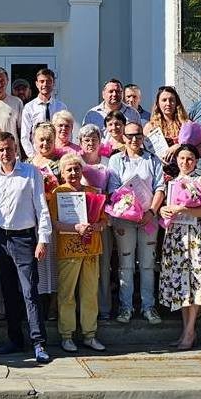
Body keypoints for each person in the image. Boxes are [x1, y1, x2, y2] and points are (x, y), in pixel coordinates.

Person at [0, 132, 52, 363]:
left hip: (24, 239)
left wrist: (43, 239)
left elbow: (41, 207)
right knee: (9, 292)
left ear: (16, 149)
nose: (5, 153)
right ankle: (14, 340)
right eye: (1, 149)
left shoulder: (30, 173)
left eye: (9, 149)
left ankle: (39, 342)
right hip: (0, 238)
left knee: (29, 292)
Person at [158, 144, 201, 351]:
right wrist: (164, 210)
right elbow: (166, 208)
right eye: (182, 158)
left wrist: (183, 208)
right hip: (175, 237)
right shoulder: (172, 182)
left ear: (196, 160)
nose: (185, 162)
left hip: (195, 237)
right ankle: (186, 330)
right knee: (182, 285)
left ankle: (190, 331)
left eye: (189, 158)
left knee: (195, 282)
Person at [107, 121, 164, 324]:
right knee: (125, 265)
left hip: (148, 218)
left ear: (143, 137)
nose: (134, 139)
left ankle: (149, 307)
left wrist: (151, 211)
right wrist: (129, 208)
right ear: (123, 137)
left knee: (148, 264)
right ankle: (126, 307)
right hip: (124, 219)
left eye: (138, 135)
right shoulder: (115, 160)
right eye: (129, 136)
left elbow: (160, 188)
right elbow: (113, 190)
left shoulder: (153, 160)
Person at [50, 152, 106, 353]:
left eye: (76, 168)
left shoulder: (92, 191)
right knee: (67, 295)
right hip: (69, 250)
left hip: (91, 250)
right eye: (69, 169)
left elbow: (103, 220)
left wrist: (96, 226)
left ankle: (90, 335)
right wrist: (76, 228)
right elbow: (54, 223)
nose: (73, 172)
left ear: (82, 170)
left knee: (90, 294)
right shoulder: (57, 193)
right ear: (62, 172)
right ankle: (67, 335)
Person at [77, 124, 114, 319]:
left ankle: (104, 307)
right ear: (80, 143)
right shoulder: (76, 162)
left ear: (100, 142)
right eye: (86, 139)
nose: (90, 143)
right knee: (81, 265)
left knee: (103, 263)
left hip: (101, 220)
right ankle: (82, 308)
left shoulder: (108, 162)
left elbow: (115, 190)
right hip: (80, 223)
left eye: (94, 139)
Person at [29, 122, 62, 316]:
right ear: (34, 141)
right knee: (39, 262)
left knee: (55, 261)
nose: (45, 143)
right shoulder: (27, 163)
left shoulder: (61, 162)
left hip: (55, 216)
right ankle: (39, 303)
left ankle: (54, 304)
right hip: (34, 219)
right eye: (41, 139)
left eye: (49, 139)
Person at [20, 68, 68, 158]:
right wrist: (33, 156)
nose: (45, 84)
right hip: (37, 154)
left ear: (53, 84)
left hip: (57, 155)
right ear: (37, 84)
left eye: (48, 81)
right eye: (42, 81)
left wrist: (63, 152)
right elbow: (24, 136)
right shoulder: (29, 107)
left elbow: (67, 133)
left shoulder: (61, 107)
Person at [144, 85, 189, 171]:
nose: (168, 103)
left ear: (176, 103)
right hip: (159, 171)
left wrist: (179, 146)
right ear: (158, 103)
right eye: (164, 100)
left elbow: (199, 150)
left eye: (171, 100)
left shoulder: (185, 124)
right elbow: (143, 153)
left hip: (183, 171)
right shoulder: (150, 127)